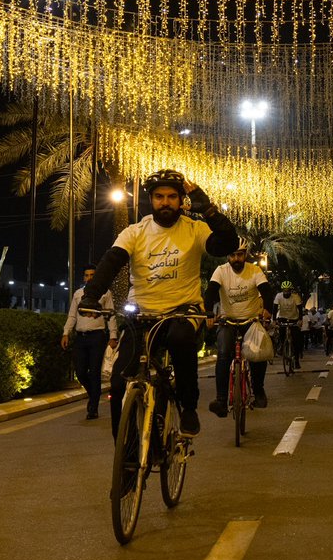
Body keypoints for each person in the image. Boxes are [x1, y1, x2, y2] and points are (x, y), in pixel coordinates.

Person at [79, 169, 238, 439]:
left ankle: (188, 408)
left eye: (172, 197)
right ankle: (127, 461)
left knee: (179, 339)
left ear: (181, 200)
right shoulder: (135, 232)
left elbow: (228, 243)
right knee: (118, 386)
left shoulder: (195, 229)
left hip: (182, 312)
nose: (165, 202)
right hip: (141, 315)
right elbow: (110, 263)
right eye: (159, 197)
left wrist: (207, 208)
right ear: (150, 200)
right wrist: (90, 296)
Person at [205, 241, 275, 413]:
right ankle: (221, 399)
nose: (236, 258)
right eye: (233, 255)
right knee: (222, 355)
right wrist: (208, 313)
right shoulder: (221, 271)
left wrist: (267, 309)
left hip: (250, 321)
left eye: (240, 254)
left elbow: (266, 291)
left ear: (245, 255)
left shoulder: (254, 270)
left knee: (257, 355)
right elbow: (211, 291)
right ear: (228, 256)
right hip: (228, 321)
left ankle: (258, 390)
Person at [62, 264, 119, 419]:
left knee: (94, 372)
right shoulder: (78, 294)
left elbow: (111, 315)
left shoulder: (105, 293)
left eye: (92, 275)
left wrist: (113, 336)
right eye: (86, 275)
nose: (89, 278)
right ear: (83, 277)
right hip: (80, 337)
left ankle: (93, 408)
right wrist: (66, 333)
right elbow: (72, 315)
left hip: (97, 337)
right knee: (80, 372)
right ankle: (93, 394)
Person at [273, 281, 303, 368]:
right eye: (284, 291)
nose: (286, 292)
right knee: (282, 335)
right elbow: (274, 309)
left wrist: (300, 320)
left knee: (296, 341)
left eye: (288, 291)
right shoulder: (278, 296)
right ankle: (283, 346)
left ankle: (296, 360)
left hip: (294, 319)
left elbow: (300, 309)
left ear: (291, 290)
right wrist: (274, 320)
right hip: (282, 318)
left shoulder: (295, 297)